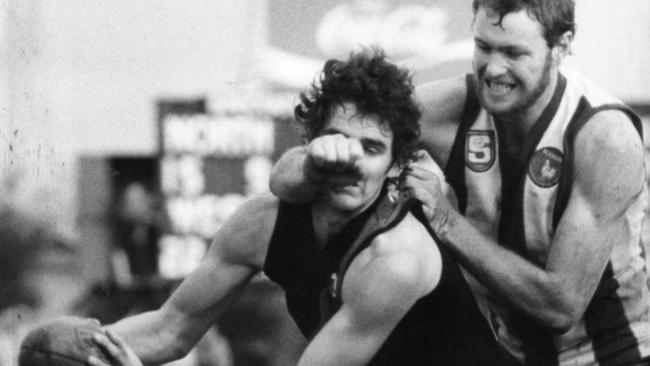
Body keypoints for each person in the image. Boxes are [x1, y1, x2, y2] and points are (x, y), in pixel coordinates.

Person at [269, 1, 650, 365]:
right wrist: (316, 165)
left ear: (561, 46)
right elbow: (281, 182)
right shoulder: (451, 106)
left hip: (616, 355)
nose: (494, 69)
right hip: (505, 355)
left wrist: (448, 222)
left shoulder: (604, 138)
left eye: (514, 53)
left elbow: (560, 306)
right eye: (484, 47)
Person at [90, 49, 504, 365]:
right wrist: (86, 347)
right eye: (338, 140)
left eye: (372, 149)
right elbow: (169, 330)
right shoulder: (261, 223)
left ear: (397, 164)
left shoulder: (396, 257)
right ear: (311, 141)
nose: (351, 161)